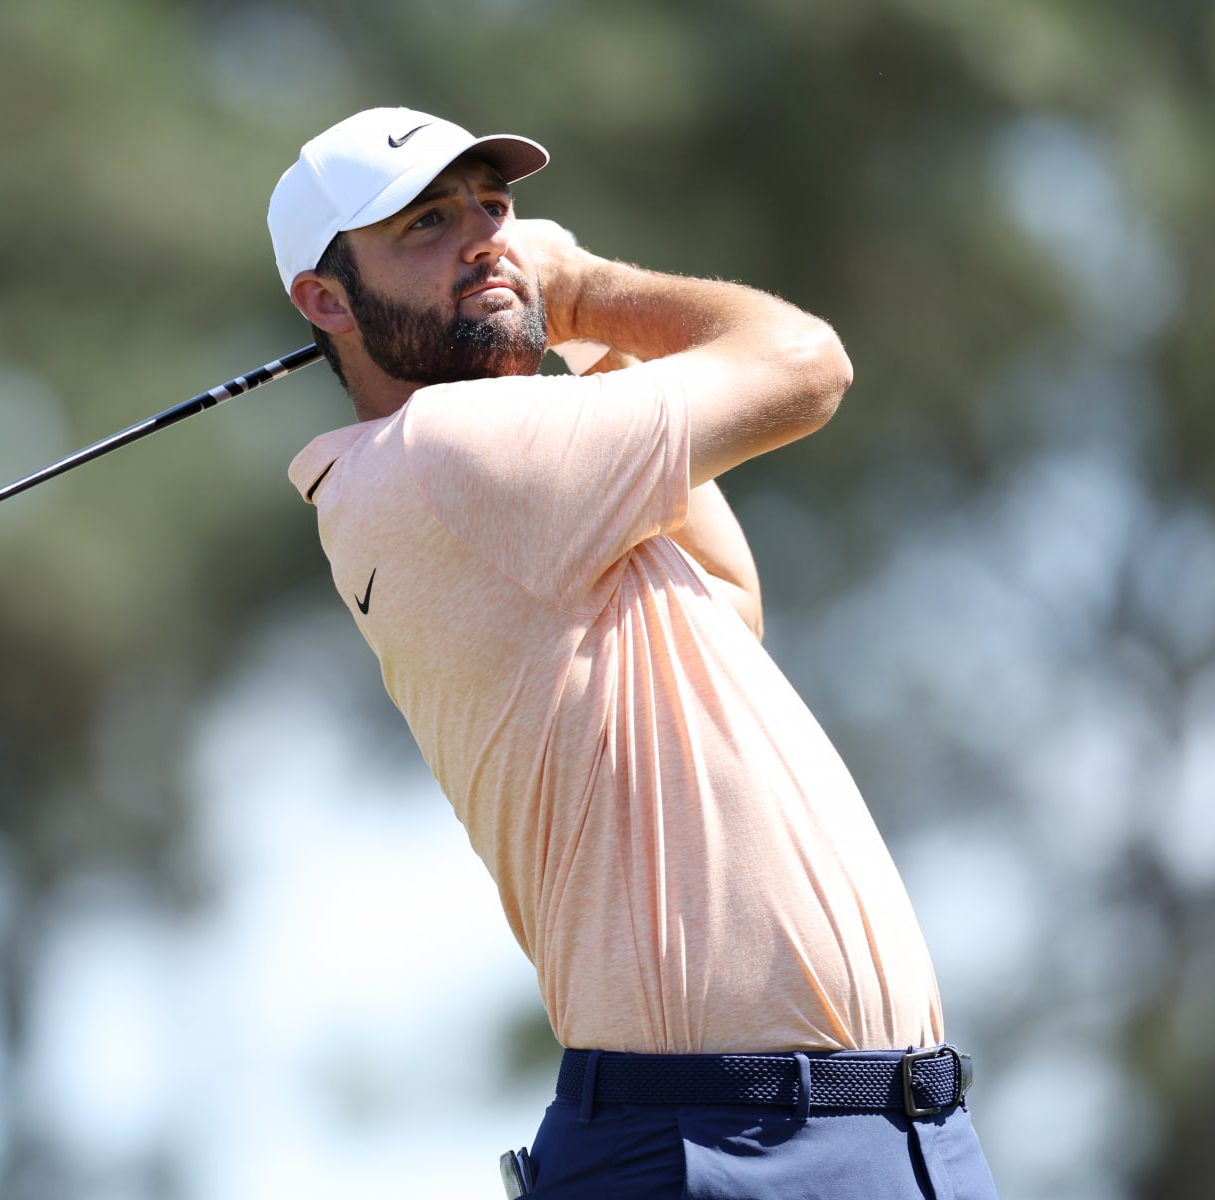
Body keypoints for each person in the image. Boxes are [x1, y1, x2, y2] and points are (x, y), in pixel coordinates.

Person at [268, 106, 998, 1199]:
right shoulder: (454, 451)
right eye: (425, 223)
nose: (485, 238)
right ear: (326, 301)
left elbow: (730, 600)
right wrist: (582, 288)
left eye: (493, 208)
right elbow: (807, 363)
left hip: (881, 1135)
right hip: (718, 1147)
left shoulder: (494, 480)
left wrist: (551, 322)